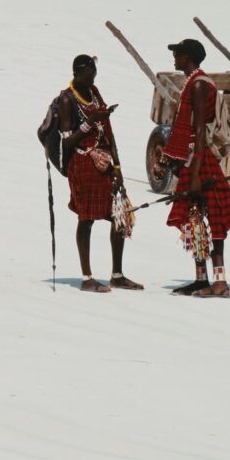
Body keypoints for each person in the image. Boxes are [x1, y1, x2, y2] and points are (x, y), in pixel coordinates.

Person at [58, 54, 143, 293]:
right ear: (78, 72)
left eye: (95, 71)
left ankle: (117, 275)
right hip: (82, 165)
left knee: (120, 215)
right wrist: (90, 121)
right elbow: (66, 142)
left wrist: (118, 168)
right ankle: (87, 278)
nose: (94, 75)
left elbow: (109, 133)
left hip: (103, 164)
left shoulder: (94, 93)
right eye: (91, 71)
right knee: (86, 218)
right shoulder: (67, 99)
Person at [162, 38, 230, 298]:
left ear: (187, 57)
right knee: (194, 218)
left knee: (214, 219)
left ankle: (220, 282)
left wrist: (194, 173)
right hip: (195, 157)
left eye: (178, 53)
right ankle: (201, 279)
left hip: (201, 158)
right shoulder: (194, 82)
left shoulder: (200, 85)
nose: (174, 58)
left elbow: (201, 130)